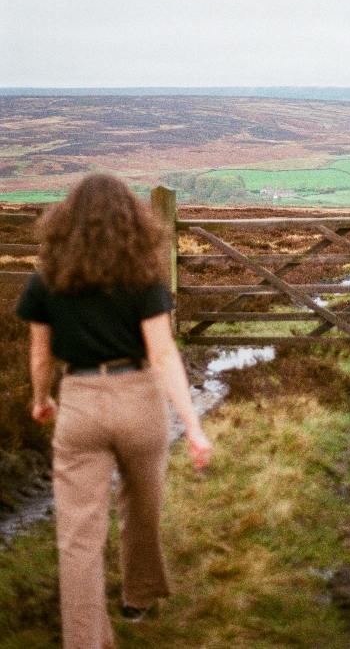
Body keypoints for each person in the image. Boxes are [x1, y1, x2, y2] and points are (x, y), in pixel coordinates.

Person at [16, 173, 212, 649]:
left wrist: (42, 399)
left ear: (65, 221)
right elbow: (164, 355)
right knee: (143, 506)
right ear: (131, 222)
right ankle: (139, 597)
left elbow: (41, 356)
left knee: (78, 534)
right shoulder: (143, 276)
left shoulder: (47, 279)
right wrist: (192, 425)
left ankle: (84, 641)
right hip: (139, 400)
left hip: (81, 400)